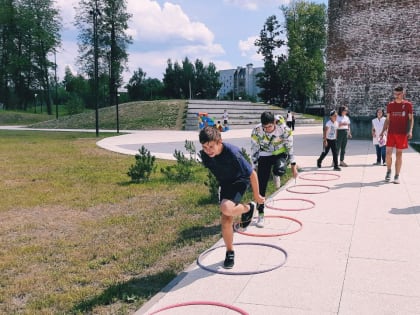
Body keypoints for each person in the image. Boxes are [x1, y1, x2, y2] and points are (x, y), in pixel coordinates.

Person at [199, 126, 264, 268]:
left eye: (211, 146)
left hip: (240, 180)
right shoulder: (205, 155)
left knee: (226, 208)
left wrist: (257, 195)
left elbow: (252, 173)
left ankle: (248, 208)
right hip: (225, 183)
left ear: (219, 141)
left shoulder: (233, 153)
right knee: (226, 218)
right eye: (204, 147)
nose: (208, 150)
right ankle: (230, 252)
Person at [251, 111, 298, 228]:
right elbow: (254, 149)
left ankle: (276, 173)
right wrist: (253, 167)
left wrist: (293, 165)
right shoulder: (256, 131)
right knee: (261, 185)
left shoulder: (284, 129)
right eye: (264, 127)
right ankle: (261, 214)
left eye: (270, 126)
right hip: (264, 154)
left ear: (274, 123)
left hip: (279, 153)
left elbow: (290, 146)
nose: (267, 129)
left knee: (279, 171)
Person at [379, 86, 414, 184]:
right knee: (388, 153)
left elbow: (411, 119)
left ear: (403, 93)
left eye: (398, 94)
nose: (396, 96)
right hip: (391, 133)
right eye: (395, 94)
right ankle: (388, 171)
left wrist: (410, 130)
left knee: (399, 155)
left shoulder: (408, 105)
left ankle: (397, 175)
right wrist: (382, 131)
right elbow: (387, 119)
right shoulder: (390, 105)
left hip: (402, 134)